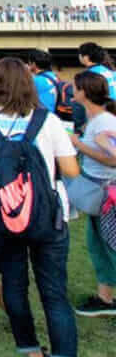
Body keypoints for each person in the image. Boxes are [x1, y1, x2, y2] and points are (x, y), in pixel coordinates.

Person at [0, 57, 80, 357]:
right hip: (48, 216)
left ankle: (31, 351)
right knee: (54, 292)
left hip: (5, 214)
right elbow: (71, 169)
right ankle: (63, 356)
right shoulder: (48, 120)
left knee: (14, 285)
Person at [67, 71, 116, 317]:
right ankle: (104, 298)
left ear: (83, 92)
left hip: (106, 195)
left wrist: (79, 145)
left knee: (110, 246)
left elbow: (114, 159)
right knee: (98, 244)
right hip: (101, 195)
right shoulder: (98, 121)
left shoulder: (103, 123)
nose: (71, 90)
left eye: (74, 87)